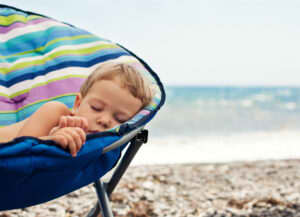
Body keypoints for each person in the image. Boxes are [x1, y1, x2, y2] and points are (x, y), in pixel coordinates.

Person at [0, 62, 154, 157]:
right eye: (96, 108)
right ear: (78, 103)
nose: (105, 120)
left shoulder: (101, 145)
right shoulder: (55, 112)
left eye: (120, 119)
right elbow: (19, 151)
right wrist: (52, 140)